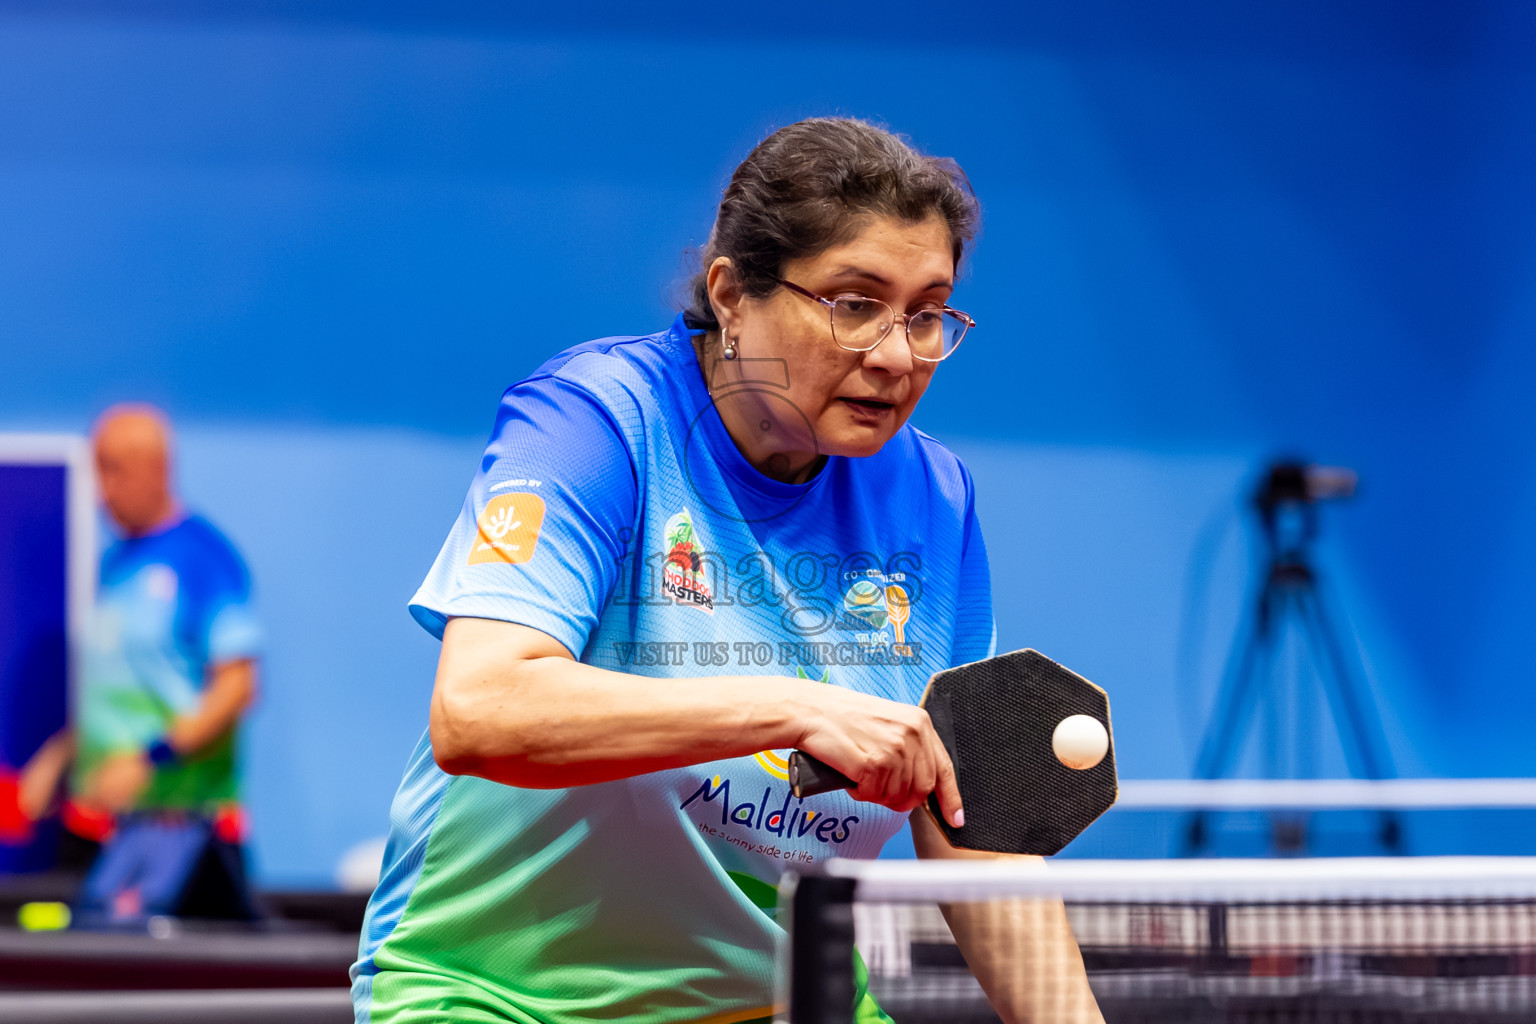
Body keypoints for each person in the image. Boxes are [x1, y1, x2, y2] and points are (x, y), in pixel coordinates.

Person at [352, 118, 1101, 1024]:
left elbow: (974, 833)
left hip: (780, 1003)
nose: (899, 356)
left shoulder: (932, 497)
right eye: (855, 304)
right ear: (733, 295)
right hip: (499, 998)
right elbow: (480, 713)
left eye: (927, 313)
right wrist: (794, 704)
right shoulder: (598, 425)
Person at [19, 404, 262, 922]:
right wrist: (59, 756)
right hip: (96, 827)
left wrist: (151, 760)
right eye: (98, 469)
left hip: (178, 835)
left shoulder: (205, 560)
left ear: (157, 469)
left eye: (115, 470)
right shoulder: (115, 563)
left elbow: (237, 687)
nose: (102, 490)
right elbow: (117, 691)